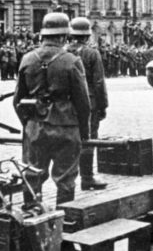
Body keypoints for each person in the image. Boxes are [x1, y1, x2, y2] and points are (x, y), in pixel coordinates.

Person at [14, 12, 90, 207]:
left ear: (43, 35)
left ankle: (30, 217)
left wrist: (28, 123)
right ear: (64, 36)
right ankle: (65, 221)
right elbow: (83, 102)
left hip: (35, 126)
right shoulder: (72, 61)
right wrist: (83, 131)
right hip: (66, 126)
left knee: (31, 174)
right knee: (65, 177)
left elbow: (17, 100)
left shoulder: (27, 59)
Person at [66, 17, 108, 191]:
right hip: (89, 102)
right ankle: (87, 177)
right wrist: (103, 104)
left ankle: (69, 178)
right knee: (88, 139)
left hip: (68, 104)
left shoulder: (64, 51)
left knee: (70, 140)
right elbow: (99, 81)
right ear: (87, 35)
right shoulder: (92, 53)